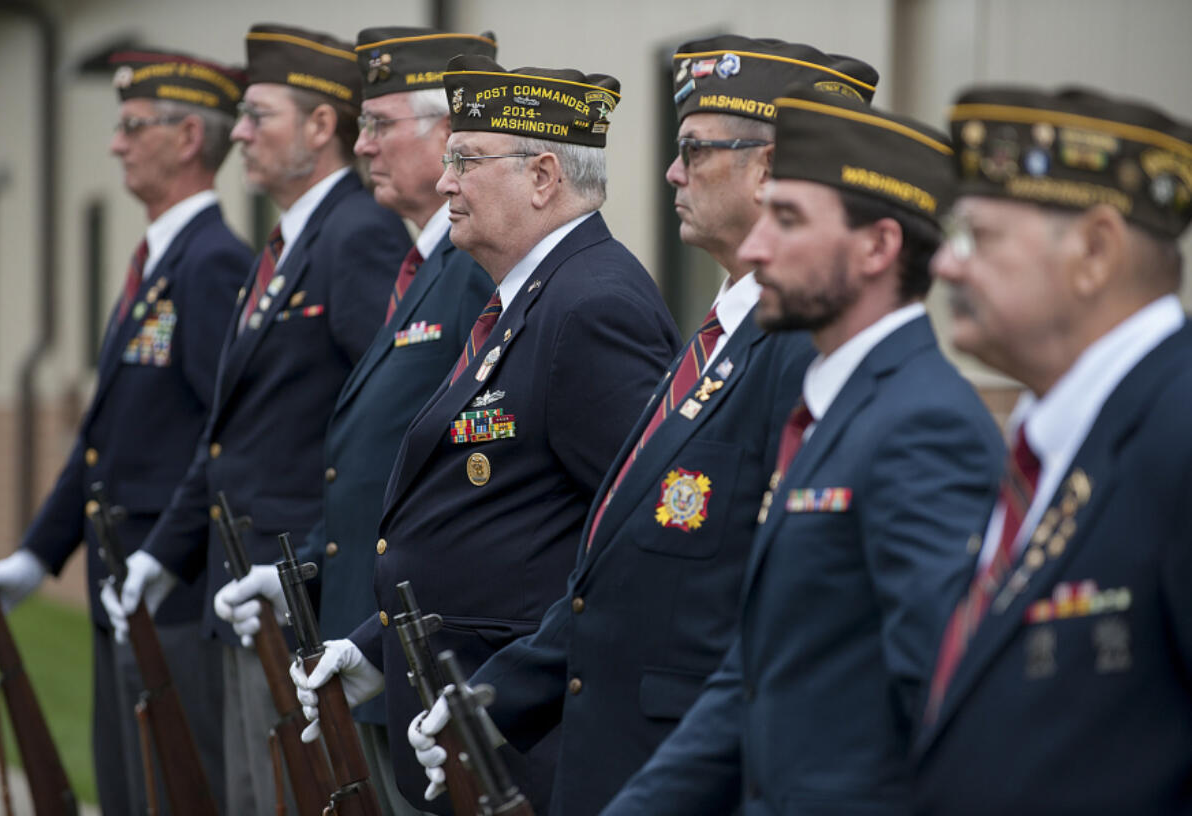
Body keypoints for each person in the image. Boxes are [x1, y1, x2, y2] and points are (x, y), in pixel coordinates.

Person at [405, 34, 878, 816]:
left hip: (690, 766)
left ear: (769, 170)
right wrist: (492, 696)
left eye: (694, 148)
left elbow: (773, 609)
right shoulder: (720, 338)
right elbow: (619, 559)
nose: (669, 170)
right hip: (622, 755)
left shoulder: (795, 353)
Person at [293, 54, 681, 813]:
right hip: (463, 721)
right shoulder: (528, 298)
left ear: (542, 177)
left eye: (465, 161)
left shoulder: (592, 307)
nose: (444, 184)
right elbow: (497, 523)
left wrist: (513, 689)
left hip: (524, 740)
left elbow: (632, 544)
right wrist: (373, 647)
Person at [600, 86, 1004, 815]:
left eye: (786, 221)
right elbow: (753, 672)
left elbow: (944, 705)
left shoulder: (921, 424)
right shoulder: (836, 404)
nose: (755, 248)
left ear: (879, 246)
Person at [108, 23, 412, 816]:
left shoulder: (359, 233)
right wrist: (164, 556)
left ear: (319, 126)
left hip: (301, 590)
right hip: (249, 585)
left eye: (258, 115)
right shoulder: (281, 247)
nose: (236, 133)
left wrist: (316, 574)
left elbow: (386, 421)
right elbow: (230, 430)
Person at [214, 25, 497, 816]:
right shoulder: (426, 264)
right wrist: (302, 570)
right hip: (367, 634)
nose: (361, 145)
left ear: (447, 134)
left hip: (415, 639)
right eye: (361, 125)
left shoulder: (471, 273)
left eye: (378, 125)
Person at [0, 48, 249, 814]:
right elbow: (102, 440)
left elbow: (224, 435)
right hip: (121, 584)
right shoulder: (158, 262)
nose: (114, 143)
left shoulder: (214, 264)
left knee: (180, 793)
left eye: (131, 126)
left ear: (189, 137)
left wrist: (163, 557)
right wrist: (35, 553)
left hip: (175, 594)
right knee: (129, 792)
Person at [914, 86, 1192, 814]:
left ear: (1095, 251)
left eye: (980, 236)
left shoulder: (1177, 431)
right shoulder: (1046, 445)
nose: (946, 265)